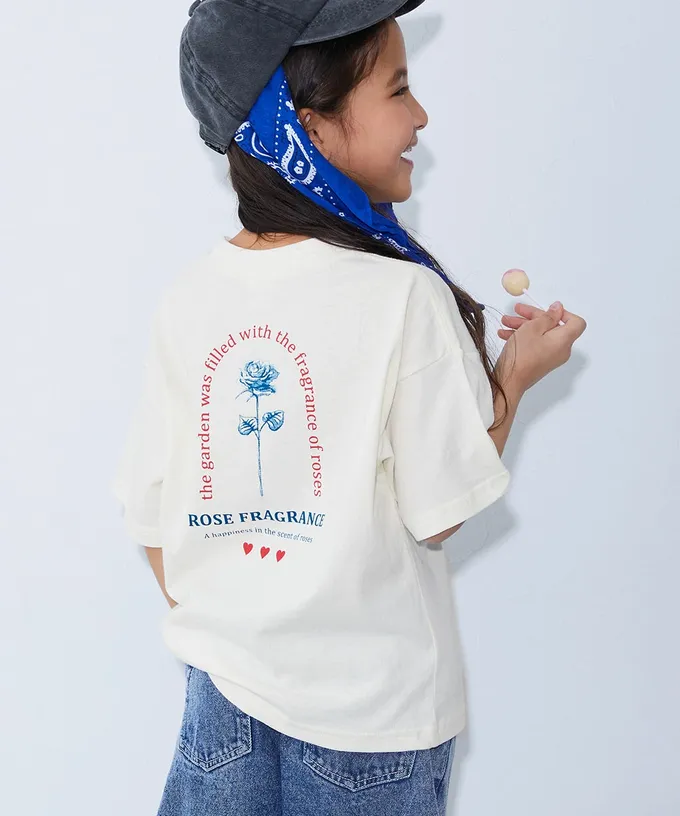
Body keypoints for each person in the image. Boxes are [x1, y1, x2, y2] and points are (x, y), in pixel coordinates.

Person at [111, 1, 587, 814]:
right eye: (398, 89)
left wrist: (250, 633)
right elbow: (440, 512)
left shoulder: (189, 298)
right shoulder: (401, 297)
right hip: (372, 722)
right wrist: (514, 378)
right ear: (309, 129)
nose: (420, 116)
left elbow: (153, 518)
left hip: (220, 710)